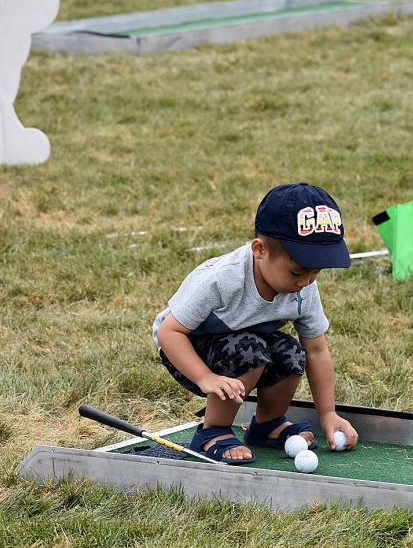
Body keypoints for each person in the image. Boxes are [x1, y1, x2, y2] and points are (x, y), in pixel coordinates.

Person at [152, 183, 358, 464]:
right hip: (185, 350)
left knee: (291, 352)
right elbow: (170, 332)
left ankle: (267, 425)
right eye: (297, 271)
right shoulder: (222, 279)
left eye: (315, 272)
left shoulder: (304, 287)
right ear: (260, 250)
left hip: (246, 345)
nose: (305, 282)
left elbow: (316, 350)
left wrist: (328, 414)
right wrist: (205, 378)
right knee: (250, 349)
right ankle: (212, 431)